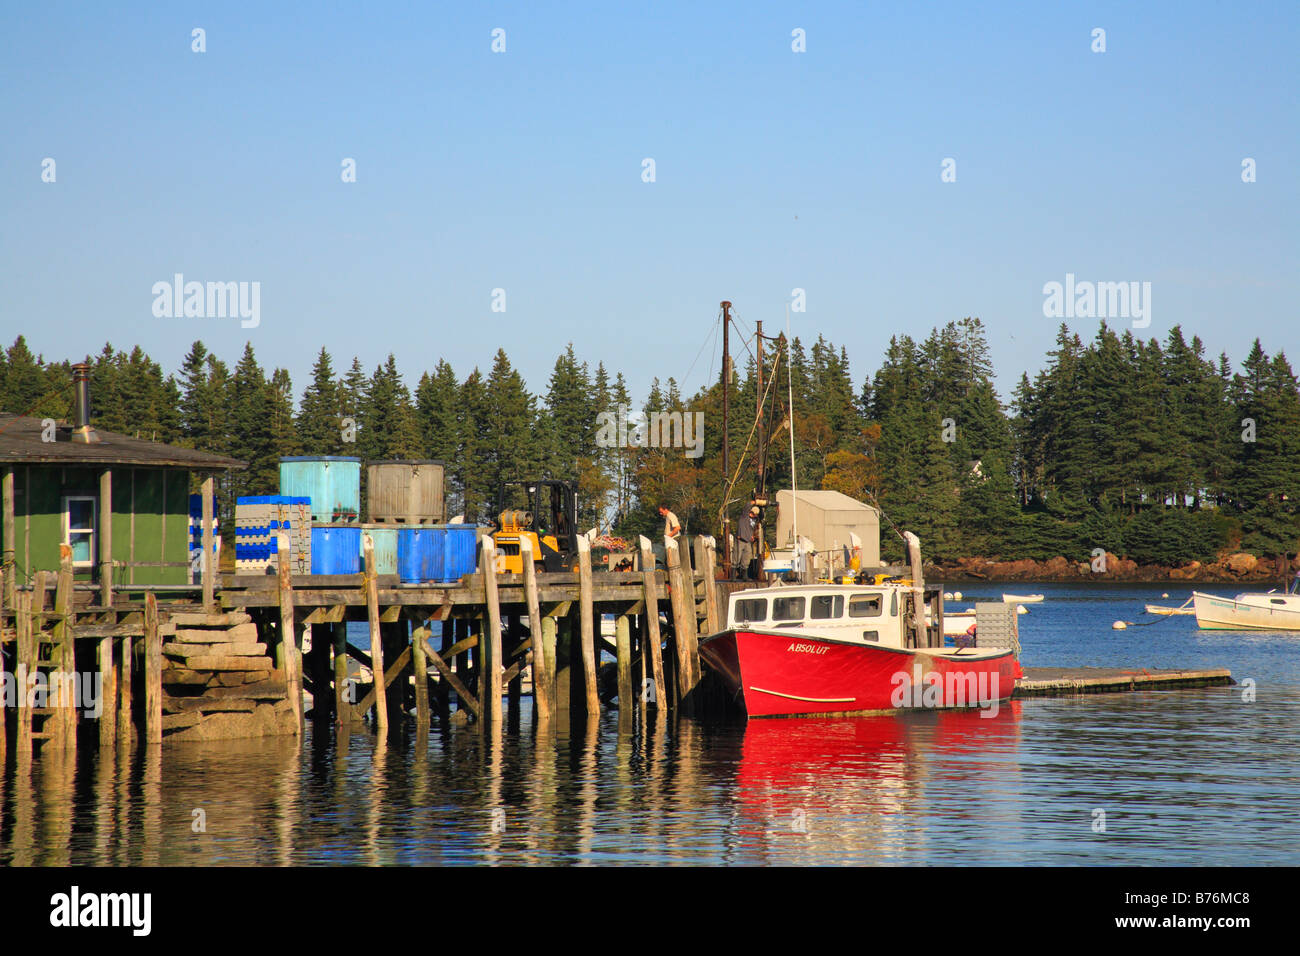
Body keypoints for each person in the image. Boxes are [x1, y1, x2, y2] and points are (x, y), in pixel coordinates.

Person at [734, 504, 761, 579]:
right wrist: (753, 502)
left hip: (748, 541)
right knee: (736, 557)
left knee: (746, 559)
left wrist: (752, 536)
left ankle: (744, 576)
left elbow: (751, 529)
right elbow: (746, 506)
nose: (755, 515)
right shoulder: (744, 516)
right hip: (740, 540)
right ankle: (733, 576)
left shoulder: (754, 520)